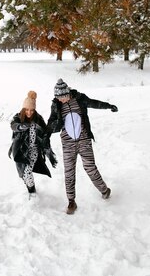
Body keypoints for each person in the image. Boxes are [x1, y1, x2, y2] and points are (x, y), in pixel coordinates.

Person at [47, 79, 118, 214]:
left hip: (84, 140)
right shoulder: (56, 106)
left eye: (64, 96)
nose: (62, 100)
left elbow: (94, 103)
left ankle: (104, 190)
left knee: (90, 167)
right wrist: (53, 128)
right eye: (59, 97)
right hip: (68, 144)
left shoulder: (79, 99)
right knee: (69, 172)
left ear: (68, 93)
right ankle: (71, 201)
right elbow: (50, 123)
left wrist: (109, 106)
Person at [9, 91, 57, 198]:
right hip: (21, 150)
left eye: (31, 110)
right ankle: (31, 188)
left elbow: (46, 132)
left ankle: (32, 193)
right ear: (23, 109)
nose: (29, 112)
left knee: (27, 172)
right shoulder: (18, 117)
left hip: (34, 150)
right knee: (23, 174)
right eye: (26, 110)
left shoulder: (38, 119)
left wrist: (47, 147)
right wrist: (21, 126)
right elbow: (13, 125)